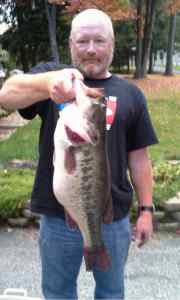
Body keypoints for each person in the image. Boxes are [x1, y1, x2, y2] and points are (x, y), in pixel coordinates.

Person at [0, 8, 158, 300]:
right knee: (58, 293)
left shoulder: (131, 94)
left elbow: (139, 158)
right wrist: (48, 84)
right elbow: (6, 94)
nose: (91, 50)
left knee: (111, 293)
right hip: (57, 216)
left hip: (113, 217)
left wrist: (147, 210)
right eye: (82, 41)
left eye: (99, 41)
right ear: (70, 44)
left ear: (112, 45)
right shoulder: (52, 79)